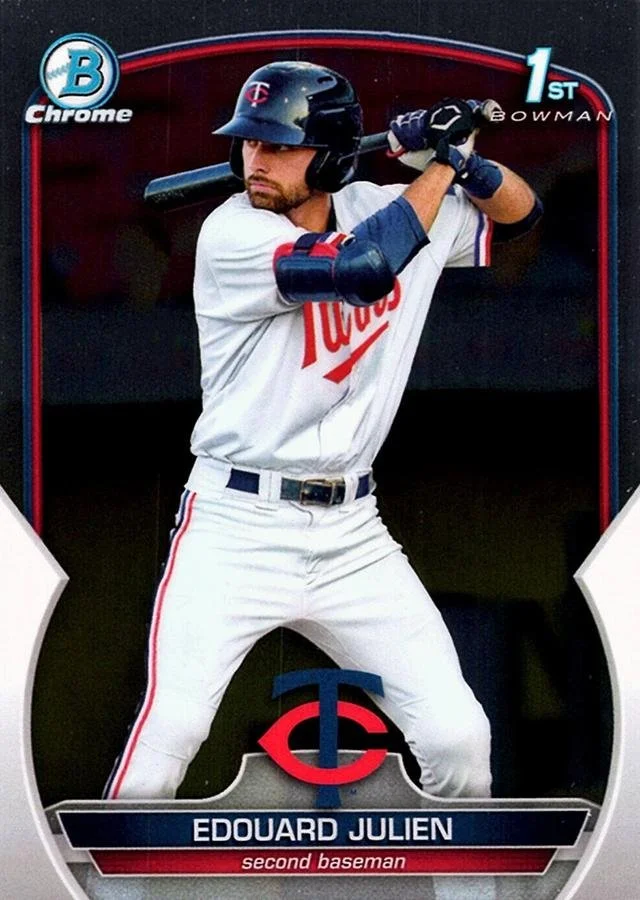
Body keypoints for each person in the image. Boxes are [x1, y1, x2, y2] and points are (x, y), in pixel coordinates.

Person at [104, 61, 541, 806]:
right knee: (168, 734)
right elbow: (364, 265)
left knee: (458, 739)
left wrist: (466, 162)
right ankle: (101, 874)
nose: (256, 159)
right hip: (236, 525)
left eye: (280, 146)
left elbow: (521, 215)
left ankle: (461, 876)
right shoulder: (231, 233)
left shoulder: (391, 205)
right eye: (251, 142)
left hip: (353, 535)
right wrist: (440, 165)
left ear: (333, 157)